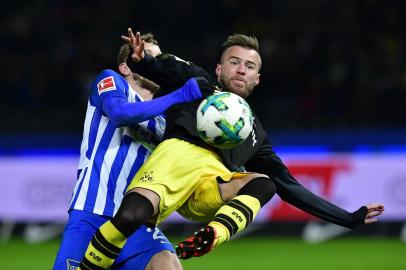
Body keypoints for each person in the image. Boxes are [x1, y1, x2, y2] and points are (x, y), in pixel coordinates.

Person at [78, 28, 384, 269]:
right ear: (220, 69)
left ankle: (213, 235)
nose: (241, 70)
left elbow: (291, 187)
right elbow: (159, 67)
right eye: (234, 62)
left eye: (249, 66)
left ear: (257, 79)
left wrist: (349, 218)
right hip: (176, 158)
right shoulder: (199, 82)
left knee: (267, 183)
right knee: (131, 217)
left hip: (211, 182)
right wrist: (142, 59)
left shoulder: (254, 133)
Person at [53, 35, 204, 270]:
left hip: (135, 221)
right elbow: (120, 113)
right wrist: (180, 95)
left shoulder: (166, 119)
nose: (157, 65)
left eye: (160, 61)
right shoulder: (111, 81)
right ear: (125, 66)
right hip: (91, 213)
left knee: (168, 263)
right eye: (150, 57)